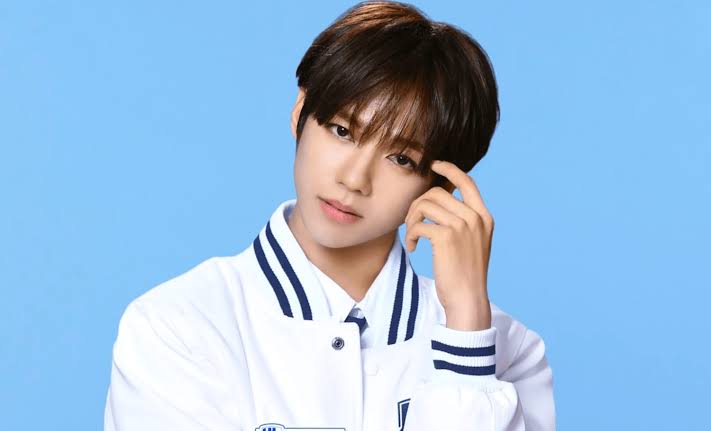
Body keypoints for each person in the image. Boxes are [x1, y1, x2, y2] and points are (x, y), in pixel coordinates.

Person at [103, 1, 556, 430]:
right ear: (300, 112)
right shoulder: (178, 327)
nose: (354, 179)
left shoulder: (507, 351)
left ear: (440, 186)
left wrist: (467, 340)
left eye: (401, 159)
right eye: (342, 131)